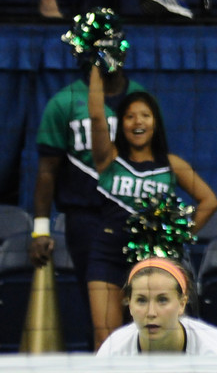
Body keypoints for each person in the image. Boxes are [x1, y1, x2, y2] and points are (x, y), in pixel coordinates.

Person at [86, 66, 217, 349]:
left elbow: (210, 201)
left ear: (155, 122)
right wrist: (97, 62)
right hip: (107, 253)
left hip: (152, 260)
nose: (138, 121)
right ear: (120, 123)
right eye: (130, 116)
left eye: (145, 115)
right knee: (106, 338)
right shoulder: (108, 158)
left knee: (155, 334)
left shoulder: (171, 164)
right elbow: (97, 115)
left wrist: (177, 236)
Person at [31, 38, 145, 317]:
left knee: (141, 308)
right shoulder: (63, 103)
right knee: (101, 315)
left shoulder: (142, 100)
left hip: (135, 218)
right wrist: (41, 229)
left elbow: (157, 161)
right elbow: (47, 170)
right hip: (87, 220)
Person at [96, 257, 217, 355]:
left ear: (182, 304)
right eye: (141, 300)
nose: (151, 313)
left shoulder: (216, 349)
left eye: (162, 300)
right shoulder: (113, 351)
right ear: (130, 304)